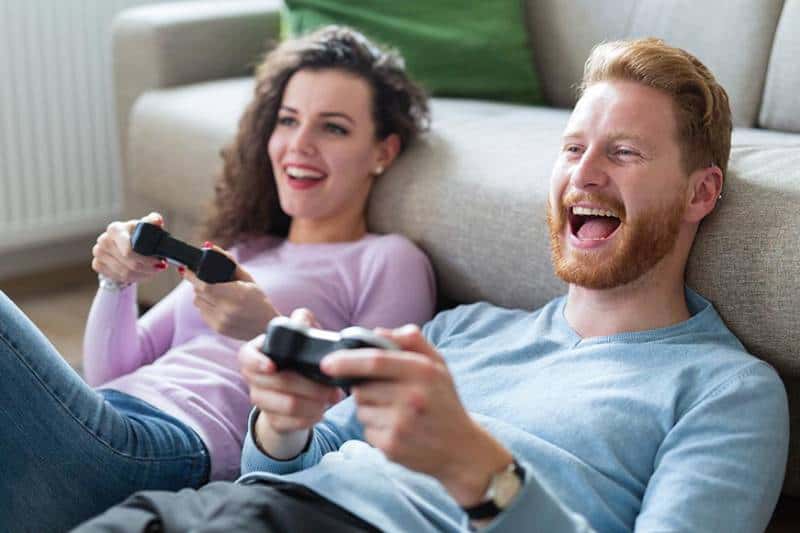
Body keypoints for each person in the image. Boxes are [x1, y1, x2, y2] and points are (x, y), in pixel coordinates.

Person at [75, 38, 789, 533]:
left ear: (702, 193)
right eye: (573, 148)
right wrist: (282, 424)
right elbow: (285, 464)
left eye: (624, 152)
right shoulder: (464, 328)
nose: (585, 174)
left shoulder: (726, 390)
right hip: (234, 509)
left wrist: (484, 474)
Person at [0, 26, 436, 532]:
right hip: (107, 419)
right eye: (288, 120)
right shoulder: (246, 249)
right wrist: (117, 284)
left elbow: (370, 413)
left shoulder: (388, 258)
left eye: (332, 128)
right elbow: (110, 374)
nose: (299, 145)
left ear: (383, 151)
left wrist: (267, 329)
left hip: (172, 450)